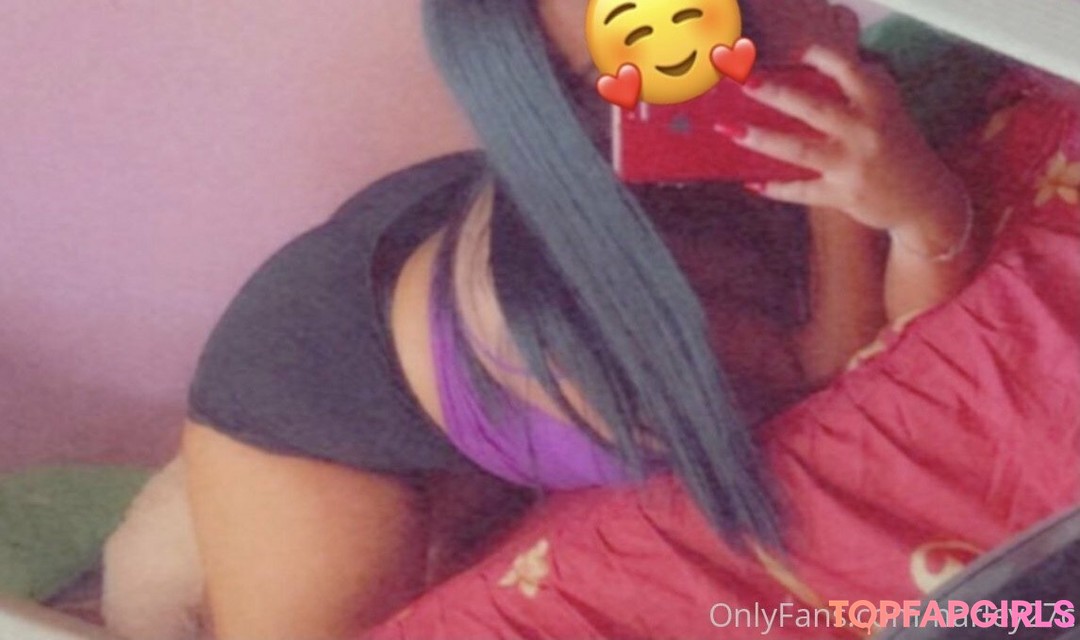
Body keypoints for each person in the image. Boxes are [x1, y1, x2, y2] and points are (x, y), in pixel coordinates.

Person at [164, 0, 980, 638]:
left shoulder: (700, 135)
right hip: (310, 391)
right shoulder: (579, 328)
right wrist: (911, 211)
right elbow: (842, 373)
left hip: (420, 240)